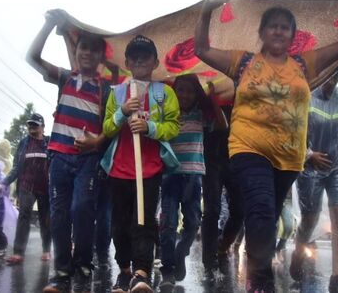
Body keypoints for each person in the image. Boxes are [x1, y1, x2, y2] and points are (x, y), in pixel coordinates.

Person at [195, 0, 338, 293]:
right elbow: (202, 48)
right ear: (262, 33)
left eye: (284, 27)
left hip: (289, 159)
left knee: (268, 213)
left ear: (293, 35)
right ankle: (261, 282)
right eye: (273, 26)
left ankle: (258, 273)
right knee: (262, 210)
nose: (278, 31)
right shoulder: (243, 62)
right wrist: (206, 10)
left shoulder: (304, 65)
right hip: (247, 148)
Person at [27, 9, 114, 293]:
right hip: (59, 158)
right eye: (83, 47)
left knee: (81, 209)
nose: (87, 53)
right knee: (59, 214)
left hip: (88, 160)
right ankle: (62, 271)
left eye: (94, 49)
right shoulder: (65, 78)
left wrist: (97, 142)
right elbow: (33, 58)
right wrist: (49, 25)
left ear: (101, 57)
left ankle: (84, 263)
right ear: (77, 52)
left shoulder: (107, 89)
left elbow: (114, 126)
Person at [101, 35, 180, 293]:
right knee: (119, 225)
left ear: (155, 61)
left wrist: (150, 127)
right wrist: (122, 112)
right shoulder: (117, 93)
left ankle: (141, 272)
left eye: (145, 56)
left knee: (143, 222)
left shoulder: (165, 93)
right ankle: (124, 270)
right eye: (134, 56)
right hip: (119, 170)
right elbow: (108, 128)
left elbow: (173, 127)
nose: (139, 60)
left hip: (149, 170)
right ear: (126, 62)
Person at [293, 68, 338, 293]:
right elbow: (293, 134)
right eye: (327, 75)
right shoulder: (305, 100)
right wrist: (309, 155)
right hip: (311, 166)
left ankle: (337, 277)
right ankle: (298, 252)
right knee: (309, 219)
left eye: (335, 75)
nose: (330, 80)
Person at [159, 74, 227, 289]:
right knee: (168, 224)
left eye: (190, 91)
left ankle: (181, 252)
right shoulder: (167, 115)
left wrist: (213, 99)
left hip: (194, 176)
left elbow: (223, 125)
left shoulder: (200, 115)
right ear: (174, 92)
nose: (185, 95)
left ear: (196, 94)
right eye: (181, 90)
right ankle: (168, 269)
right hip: (170, 177)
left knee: (193, 223)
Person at [0, 113, 51, 265]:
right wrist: (4, 182)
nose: (32, 128)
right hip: (27, 185)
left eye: (35, 125)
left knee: (45, 219)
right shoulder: (23, 143)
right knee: (24, 215)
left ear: (42, 127)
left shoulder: (49, 142)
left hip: (45, 186)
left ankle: (46, 250)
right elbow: (16, 168)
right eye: (30, 125)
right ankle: (18, 253)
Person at [201, 104, 245, 281]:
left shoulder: (240, 85)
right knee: (212, 210)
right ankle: (209, 262)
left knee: (240, 210)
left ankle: (222, 246)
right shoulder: (209, 84)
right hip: (211, 156)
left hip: (236, 154)